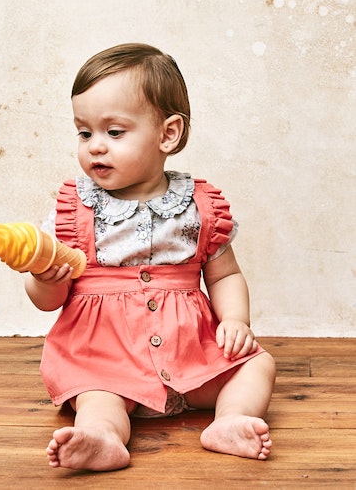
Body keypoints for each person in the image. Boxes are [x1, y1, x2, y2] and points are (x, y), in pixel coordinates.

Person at [24, 43, 276, 471]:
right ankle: (102, 435)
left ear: (167, 134)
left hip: (190, 348)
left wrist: (235, 321)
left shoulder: (201, 206)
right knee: (97, 395)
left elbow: (224, 275)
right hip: (104, 353)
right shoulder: (72, 210)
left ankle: (231, 420)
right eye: (84, 133)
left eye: (114, 132)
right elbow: (49, 301)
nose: (95, 147)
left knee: (257, 365)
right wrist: (46, 277)